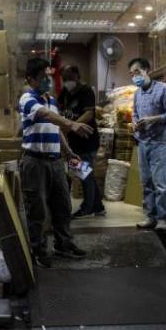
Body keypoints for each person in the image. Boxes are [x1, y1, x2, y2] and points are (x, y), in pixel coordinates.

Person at [19, 57, 92, 268]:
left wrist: (68, 152)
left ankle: (64, 244)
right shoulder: (27, 99)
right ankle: (39, 250)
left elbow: (56, 128)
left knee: (63, 205)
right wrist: (72, 124)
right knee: (37, 210)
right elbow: (46, 115)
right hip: (35, 162)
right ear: (30, 79)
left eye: (49, 77)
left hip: (56, 161)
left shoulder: (51, 99)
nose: (48, 81)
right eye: (43, 77)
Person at [129, 57, 166, 232]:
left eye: (137, 72)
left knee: (160, 184)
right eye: (131, 74)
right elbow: (135, 114)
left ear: (147, 70)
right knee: (146, 182)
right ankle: (150, 216)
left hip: (159, 142)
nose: (134, 77)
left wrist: (153, 119)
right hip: (143, 142)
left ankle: (163, 218)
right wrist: (134, 123)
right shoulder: (137, 93)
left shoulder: (163, 89)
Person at [57, 65, 105, 219]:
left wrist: (71, 126)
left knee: (85, 175)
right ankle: (98, 206)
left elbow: (89, 114)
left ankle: (87, 209)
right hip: (73, 143)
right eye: (64, 78)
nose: (67, 81)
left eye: (70, 77)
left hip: (87, 140)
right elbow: (58, 108)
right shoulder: (65, 92)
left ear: (78, 76)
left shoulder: (86, 91)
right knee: (85, 173)